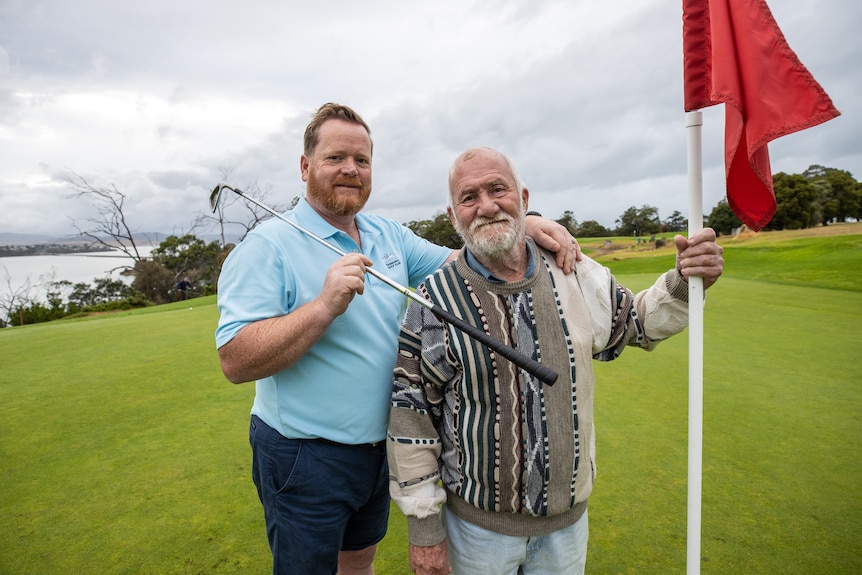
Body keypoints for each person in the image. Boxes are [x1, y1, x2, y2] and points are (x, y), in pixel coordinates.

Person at [214, 105, 581, 575]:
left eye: (362, 160)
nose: (351, 169)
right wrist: (323, 306)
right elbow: (235, 360)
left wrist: (517, 224)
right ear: (305, 166)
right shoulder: (266, 246)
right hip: (304, 455)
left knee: (359, 562)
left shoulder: (387, 234)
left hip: (379, 451)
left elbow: (465, 261)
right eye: (335, 158)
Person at [386, 147, 724, 575]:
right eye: (468, 197)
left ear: (524, 198)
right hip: (475, 534)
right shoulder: (432, 301)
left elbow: (635, 323)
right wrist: (425, 532)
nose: (486, 206)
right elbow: (411, 418)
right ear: (454, 216)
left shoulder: (574, 272)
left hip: (566, 531)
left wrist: (686, 279)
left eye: (497, 189)